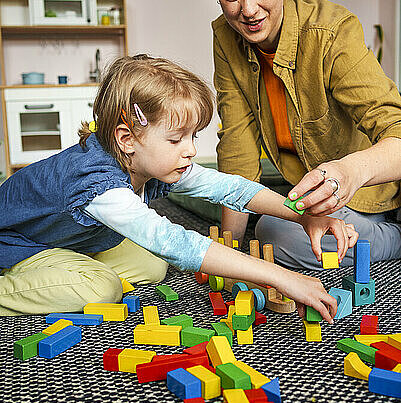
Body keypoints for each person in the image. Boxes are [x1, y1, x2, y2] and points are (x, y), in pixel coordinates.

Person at [0, 55, 357, 320]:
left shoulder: (151, 160)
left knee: (153, 265)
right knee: (101, 288)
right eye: (175, 139)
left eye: (193, 136)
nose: (190, 150)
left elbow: (230, 188)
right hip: (19, 245)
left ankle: (70, 266)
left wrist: (302, 215)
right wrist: (283, 278)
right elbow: (175, 243)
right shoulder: (97, 185)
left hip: (69, 239)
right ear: (127, 138)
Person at [203, 0, 401, 270]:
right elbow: (237, 146)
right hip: (304, 192)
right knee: (204, 201)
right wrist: (227, 250)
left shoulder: (332, 31)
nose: (249, 10)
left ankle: (392, 238)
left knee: (274, 233)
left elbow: (398, 134)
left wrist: (347, 172)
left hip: (364, 194)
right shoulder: (225, 37)